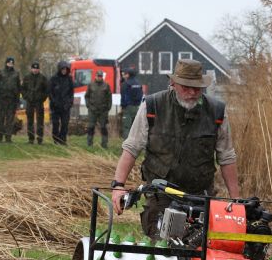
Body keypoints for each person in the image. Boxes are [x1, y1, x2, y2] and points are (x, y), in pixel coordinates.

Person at [111, 59, 240, 238]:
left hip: (200, 195)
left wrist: (235, 200)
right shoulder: (152, 106)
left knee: (204, 245)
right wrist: (118, 186)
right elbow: (131, 148)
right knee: (163, 243)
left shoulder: (216, 112)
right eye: (187, 87)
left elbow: (226, 157)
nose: (192, 93)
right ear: (173, 83)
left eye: (197, 88)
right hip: (161, 194)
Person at [0, 56, 21, 143]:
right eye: (9, 63)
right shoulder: (1, 72)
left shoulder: (16, 73)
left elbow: (18, 87)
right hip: (2, 99)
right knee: (0, 119)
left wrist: (17, 99)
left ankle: (8, 138)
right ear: (6, 63)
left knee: (10, 119)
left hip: (12, 100)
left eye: (12, 63)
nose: (10, 64)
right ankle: (0, 137)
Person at [22, 61, 49, 144]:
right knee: (30, 120)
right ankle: (31, 138)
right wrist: (26, 96)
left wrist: (42, 98)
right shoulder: (27, 77)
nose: (35, 70)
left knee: (40, 120)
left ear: (39, 69)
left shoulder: (43, 78)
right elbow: (23, 89)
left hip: (39, 102)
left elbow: (47, 90)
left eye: (37, 68)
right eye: (34, 68)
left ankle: (40, 139)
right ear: (31, 69)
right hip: (29, 101)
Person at [48, 60, 74, 145]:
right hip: (55, 106)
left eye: (65, 69)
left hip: (65, 106)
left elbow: (71, 93)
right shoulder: (53, 79)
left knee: (65, 124)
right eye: (62, 69)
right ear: (59, 69)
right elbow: (50, 92)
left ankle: (63, 140)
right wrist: (54, 101)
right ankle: (56, 139)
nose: (64, 71)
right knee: (55, 124)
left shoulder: (69, 79)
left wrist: (69, 103)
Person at [85, 70, 112, 148]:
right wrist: (88, 105)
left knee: (103, 127)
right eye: (98, 76)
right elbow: (87, 96)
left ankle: (104, 144)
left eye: (101, 76)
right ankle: (89, 144)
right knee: (91, 127)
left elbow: (109, 97)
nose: (99, 77)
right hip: (92, 110)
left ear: (102, 77)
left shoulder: (106, 85)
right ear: (95, 76)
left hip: (103, 110)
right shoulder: (90, 85)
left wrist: (108, 107)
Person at [120, 67, 143, 139]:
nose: (123, 75)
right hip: (137, 107)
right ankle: (135, 143)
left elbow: (123, 97)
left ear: (128, 75)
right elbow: (141, 95)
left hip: (128, 107)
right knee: (136, 127)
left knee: (127, 127)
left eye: (125, 74)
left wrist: (123, 107)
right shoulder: (139, 83)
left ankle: (127, 144)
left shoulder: (125, 84)